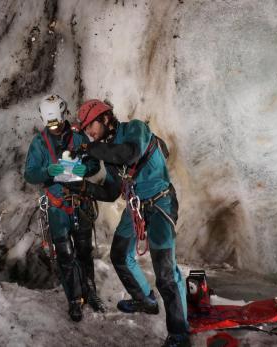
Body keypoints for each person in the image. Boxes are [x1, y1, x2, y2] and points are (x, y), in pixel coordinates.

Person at [70, 99, 190, 347]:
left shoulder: (135, 129)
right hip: (136, 206)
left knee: (166, 273)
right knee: (120, 255)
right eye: (84, 131)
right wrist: (81, 187)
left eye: (90, 126)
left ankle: (179, 333)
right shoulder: (107, 151)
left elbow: (130, 153)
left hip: (160, 204)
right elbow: (112, 192)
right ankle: (145, 300)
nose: (88, 133)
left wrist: (88, 148)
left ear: (104, 119)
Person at [24, 94, 106, 322]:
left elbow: (93, 163)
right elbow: (29, 173)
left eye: (58, 123)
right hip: (57, 208)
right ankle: (74, 300)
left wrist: (81, 170)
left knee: (84, 252)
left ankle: (91, 294)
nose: (55, 127)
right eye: (50, 124)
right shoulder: (39, 143)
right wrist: (48, 171)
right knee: (65, 255)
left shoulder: (79, 138)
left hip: (79, 203)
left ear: (64, 116)